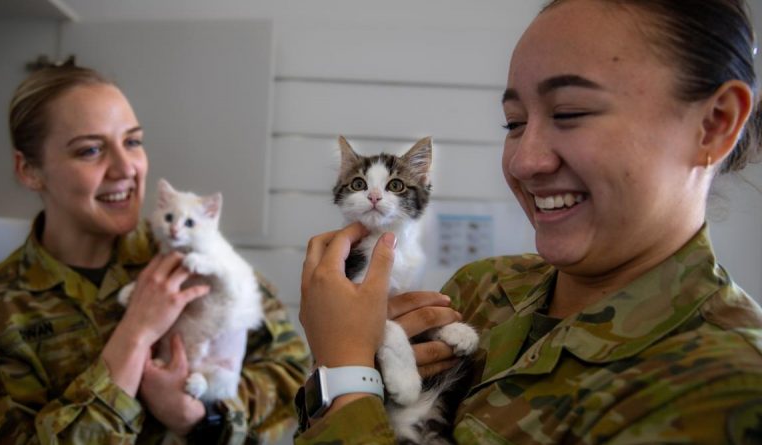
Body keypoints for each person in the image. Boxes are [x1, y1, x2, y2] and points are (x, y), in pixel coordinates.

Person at [296, 0, 762, 443]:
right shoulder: (484, 288)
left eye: (569, 113)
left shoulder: (727, 387)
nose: (524, 162)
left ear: (716, 123)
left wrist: (342, 372)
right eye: (514, 123)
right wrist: (347, 367)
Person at [0, 62, 310, 444]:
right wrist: (135, 334)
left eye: (132, 141)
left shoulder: (187, 251)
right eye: (91, 150)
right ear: (29, 171)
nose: (126, 168)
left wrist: (198, 416)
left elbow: (292, 373)